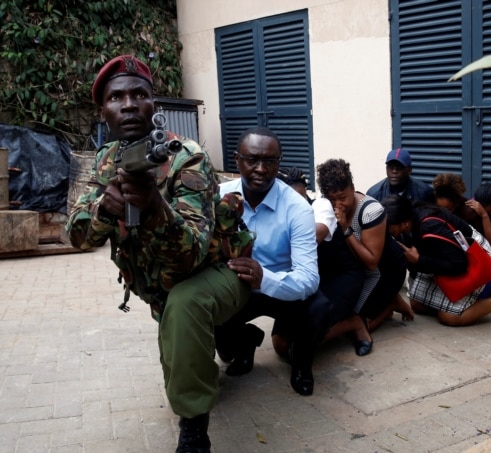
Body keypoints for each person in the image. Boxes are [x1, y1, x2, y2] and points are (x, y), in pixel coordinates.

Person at [65, 55, 251, 452]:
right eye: (117, 97)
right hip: (164, 285)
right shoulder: (104, 160)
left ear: (155, 107)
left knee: (183, 309)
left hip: (222, 270)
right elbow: (77, 236)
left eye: (139, 95)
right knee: (195, 328)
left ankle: (194, 428)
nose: (129, 104)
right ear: (104, 112)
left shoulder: (186, 157)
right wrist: (105, 209)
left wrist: (154, 208)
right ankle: (241, 340)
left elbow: (194, 253)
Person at [216, 127, 324, 397]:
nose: (260, 169)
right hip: (236, 288)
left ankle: (301, 364)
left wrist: (264, 278)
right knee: (225, 351)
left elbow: (309, 277)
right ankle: (247, 341)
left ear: (280, 163)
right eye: (252, 159)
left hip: (281, 288)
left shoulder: (297, 209)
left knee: (317, 307)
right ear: (237, 159)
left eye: (270, 161)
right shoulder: (218, 197)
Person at [316, 158, 411, 356]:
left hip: (383, 270)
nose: (338, 204)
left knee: (353, 326)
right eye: (332, 199)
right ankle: (387, 301)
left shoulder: (370, 211)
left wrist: (345, 229)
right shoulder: (327, 207)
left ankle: (391, 304)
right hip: (355, 269)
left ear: (352, 188)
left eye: (342, 197)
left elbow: (371, 262)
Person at [382, 195, 491, 326]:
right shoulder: (407, 225)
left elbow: (459, 264)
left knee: (449, 317)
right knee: (417, 304)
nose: (386, 230)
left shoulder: (430, 226)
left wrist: (419, 260)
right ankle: (452, 306)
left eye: (389, 226)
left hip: (474, 256)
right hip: (441, 256)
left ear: (404, 223)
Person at [272, 167, 365, 361]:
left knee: (298, 345)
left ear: (306, 194)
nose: (296, 205)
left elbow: (312, 237)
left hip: (340, 277)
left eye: (300, 198)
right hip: (307, 280)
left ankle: (353, 323)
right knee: (280, 345)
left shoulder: (321, 207)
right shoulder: (278, 214)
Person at [366, 148, 434, 203]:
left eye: (399, 167)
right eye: (391, 167)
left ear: (409, 170)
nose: (394, 171)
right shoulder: (374, 194)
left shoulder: (424, 192)